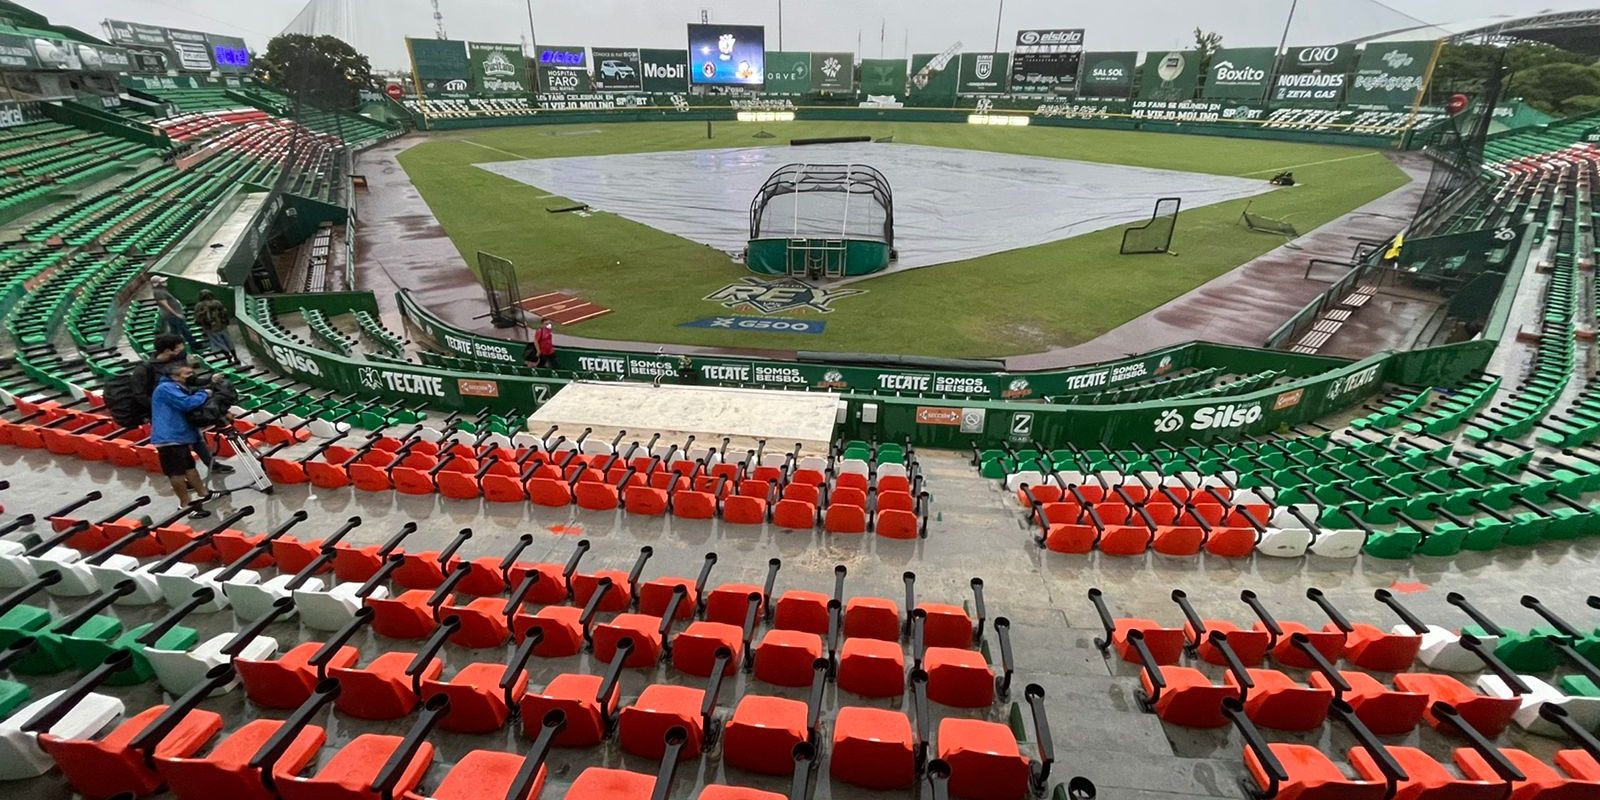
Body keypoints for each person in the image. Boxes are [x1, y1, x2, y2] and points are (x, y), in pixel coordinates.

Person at [149, 333, 232, 474]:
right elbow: (141, 393)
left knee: (197, 438)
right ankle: (185, 479)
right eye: (179, 347)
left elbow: (190, 380)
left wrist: (209, 381)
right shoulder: (148, 369)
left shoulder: (178, 361)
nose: (182, 349)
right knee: (179, 455)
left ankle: (212, 465)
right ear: (168, 350)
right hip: (165, 410)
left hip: (182, 403)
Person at [151, 362, 214, 518]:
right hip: (169, 438)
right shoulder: (166, 389)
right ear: (174, 377)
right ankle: (185, 504)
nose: (191, 376)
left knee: (190, 467)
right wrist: (204, 393)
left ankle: (204, 494)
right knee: (176, 473)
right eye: (187, 374)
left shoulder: (178, 387)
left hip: (180, 436)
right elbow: (187, 404)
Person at [150, 276, 201, 351]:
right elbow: (165, 305)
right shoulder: (159, 292)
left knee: (174, 333)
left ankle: (174, 346)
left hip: (172, 315)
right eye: (162, 282)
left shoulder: (162, 290)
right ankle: (194, 345)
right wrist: (176, 314)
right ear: (158, 284)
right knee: (184, 330)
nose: (165, 282)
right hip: (173, 315)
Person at [193, 289, 238, 365]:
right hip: (222, 326)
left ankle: (228, 358)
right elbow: (224, 313)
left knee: (219, 343)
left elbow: (198, 318)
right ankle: (235, 357)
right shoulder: (217, 303)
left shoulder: (199, 306)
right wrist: (226, 322)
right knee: (229, 342)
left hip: (210, 328)